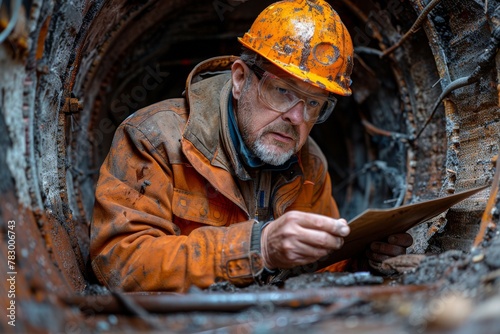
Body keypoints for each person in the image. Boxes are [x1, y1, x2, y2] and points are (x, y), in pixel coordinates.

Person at [90, 0, 413, 293]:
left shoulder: (310, 165)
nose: (296, 117)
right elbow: (121, 263)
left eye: (314, 103)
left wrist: (363, 260)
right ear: (241, 79)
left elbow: (320, 267)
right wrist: (258, 247)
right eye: (282, 91)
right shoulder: (154, 140)